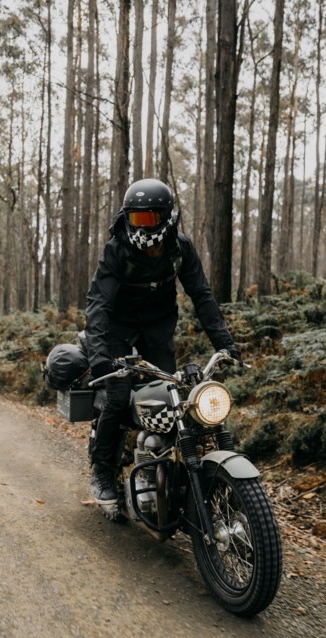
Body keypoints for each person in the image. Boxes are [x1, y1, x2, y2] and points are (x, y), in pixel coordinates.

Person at [83, 178, 240, 508]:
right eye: (135, 218)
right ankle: (102, 470)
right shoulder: (117, 249)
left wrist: (225, 344)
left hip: (157, 328)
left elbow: (202, 295)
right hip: (118, 330)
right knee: (117, 395)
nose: (141, 226)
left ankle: (157, 469)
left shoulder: (180, 248)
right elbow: (99, 303)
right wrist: (100, 357)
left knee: (169, 398)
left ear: (167, 217)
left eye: (149, 218)